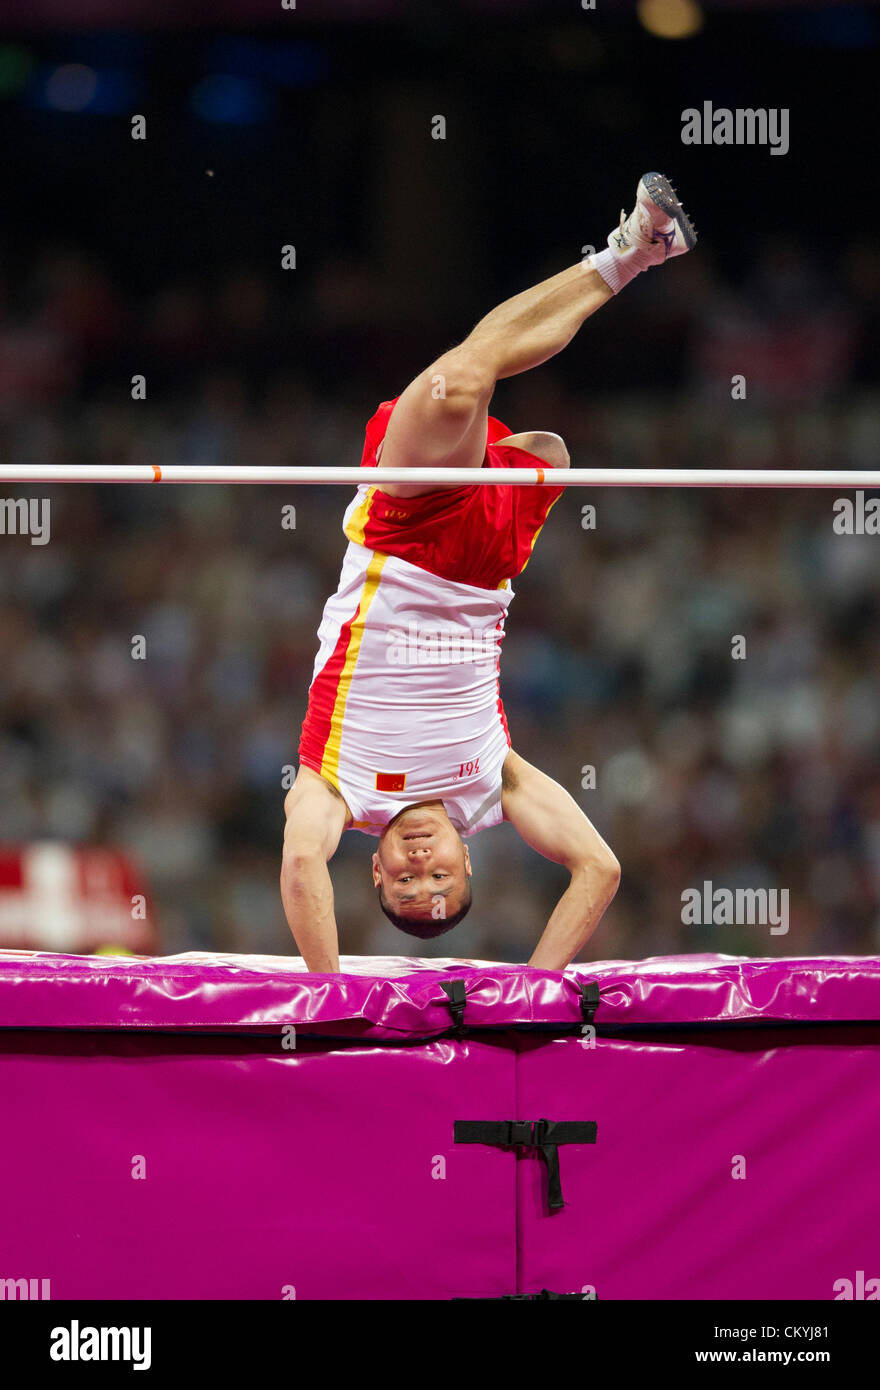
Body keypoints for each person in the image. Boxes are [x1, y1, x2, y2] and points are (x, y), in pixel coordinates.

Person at [282, 174, 696, 972]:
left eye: (404, 882)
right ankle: (633, 253)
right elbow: (599, 869)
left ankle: (632, 254)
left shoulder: (335, 793)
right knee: (519, 422)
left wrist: (328, 999)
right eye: (439, 876)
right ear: (470, 858)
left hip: (400, 539)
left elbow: (302, 866)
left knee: (461, 380)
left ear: (371, 868)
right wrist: (535, 992)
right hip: (485, 573)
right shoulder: (491, 789)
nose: (419, 865)